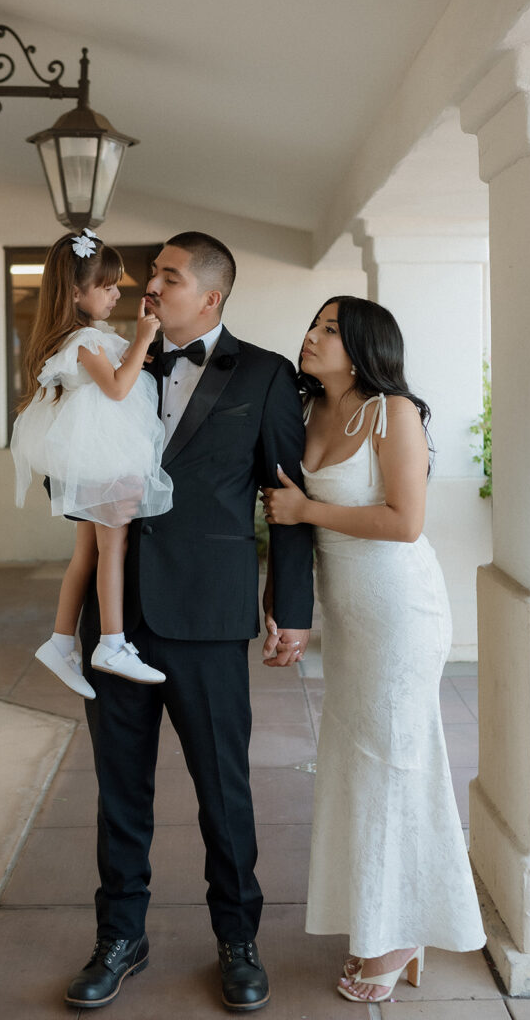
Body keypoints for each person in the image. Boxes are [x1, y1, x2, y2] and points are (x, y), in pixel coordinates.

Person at [63, 232, 314, 1013]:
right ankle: (120, 936)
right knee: (118, 789)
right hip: (115, 616)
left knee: (223, 788)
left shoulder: (268, 375)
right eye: (151, 273)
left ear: (208, 296)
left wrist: (291, 607)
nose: (148, 285)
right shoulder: (108, 357)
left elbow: (286, 503)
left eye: (167, 276)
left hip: (208, 613)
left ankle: (237, 939)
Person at [261, 296, 485, 1004]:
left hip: (399, 608)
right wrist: (281, 601)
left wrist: (305, 509)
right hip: (348, 615)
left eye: (329, 329)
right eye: (312, 324)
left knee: (391, 761)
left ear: (361, 346)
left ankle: (396, 934)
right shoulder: (307, 413)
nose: (311, 336)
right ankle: (386, 918)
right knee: (360, 765)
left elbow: (403, 520)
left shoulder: (394, 412)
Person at [11, 230, 173, 697]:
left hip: (94, 453)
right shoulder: (83, 337)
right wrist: (144, 338)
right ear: (76, 292)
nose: (117, 293)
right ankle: (111, 641)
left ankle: (62, 641)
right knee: (113, 547)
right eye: (107, 286)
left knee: (88, 551)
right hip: (106, 453)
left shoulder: (84, 335)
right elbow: (119, 388)